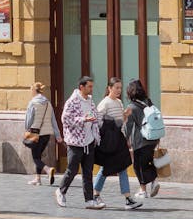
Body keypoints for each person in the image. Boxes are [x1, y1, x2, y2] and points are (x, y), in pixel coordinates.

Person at [93, 77, 142, 210]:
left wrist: (125, 115)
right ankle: (95, 194)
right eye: (116, 88)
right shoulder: (105, 103)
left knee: (122, 168)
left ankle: (127, 198)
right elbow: (98, 122)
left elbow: (120, 123)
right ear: (110, 88)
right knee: (105, 168)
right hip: (109, 140)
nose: (119, 90)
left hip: (118, 139)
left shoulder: (119, 102)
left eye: (120, 88)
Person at [56, 76, 103, 210]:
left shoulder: (90, 101)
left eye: (92, 86)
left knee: (88, 172)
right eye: (89, 86)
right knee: (72, 169)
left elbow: (95, 116)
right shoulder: (72, 101)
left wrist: (96, 122)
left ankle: (89, 200)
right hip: (75, 142)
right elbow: (65, 119)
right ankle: (61, 191)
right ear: (81, 87)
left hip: (89, 141)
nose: (91, 89)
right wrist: (83, 119)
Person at [125, 78, 161, 200]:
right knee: (148, 161)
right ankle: (154, 181)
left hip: (141, 140)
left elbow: (128, 126)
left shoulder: (131, 107)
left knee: (138, 166)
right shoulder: (148, 101)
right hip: (153, 138)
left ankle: (143, 190)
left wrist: (124, 140)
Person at [24, 81, 61, 186]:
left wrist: (27, 129)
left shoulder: (33, 102)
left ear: (34, 91)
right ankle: (38, 179)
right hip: (47, 134)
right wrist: (57, 135)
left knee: (35, 158)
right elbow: (53, 120)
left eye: (31, 90)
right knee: (38, 155)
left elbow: (29, 119)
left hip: (35, 133)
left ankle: (48, 170)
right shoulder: (48, 103)